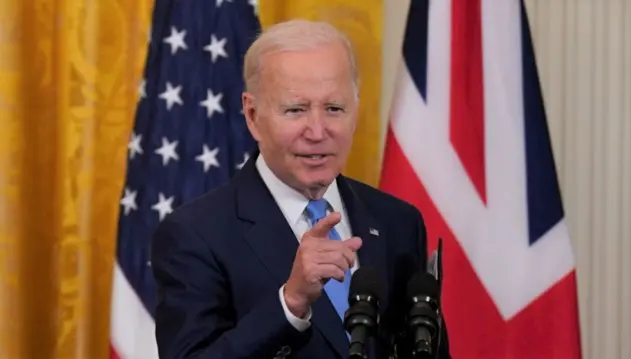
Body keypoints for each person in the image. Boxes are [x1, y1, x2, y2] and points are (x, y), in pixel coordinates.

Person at [151, 19, 451, 359]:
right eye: (296, 110)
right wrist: (290, 303)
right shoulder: (194, 234)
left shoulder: (397, 221)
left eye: (334, 109)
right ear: (252, 114)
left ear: (355, 109)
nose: (317, 131)